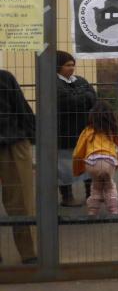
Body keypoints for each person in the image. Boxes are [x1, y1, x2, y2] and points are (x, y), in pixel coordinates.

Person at [0, 69, 37, 264]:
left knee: (22, 200)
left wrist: (33, 136)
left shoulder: (4, 77)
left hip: (12, 140)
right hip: (13, 138)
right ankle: (29, 253)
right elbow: (22, 108)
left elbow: (21, 108)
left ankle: (29, 252)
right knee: (22, 199)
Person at [72, 100, 118, 215]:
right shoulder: (112, 130)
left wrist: (79, 169)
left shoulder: (88, 131)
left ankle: (93, 210)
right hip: (108, 161)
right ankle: (113, 209)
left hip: (92, 163)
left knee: (96, 186)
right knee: (110, 186)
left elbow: (77, 153)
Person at [56, 50, 96, 207]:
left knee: (88, 164)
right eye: (67, 65)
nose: (71, 68)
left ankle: (91, 195)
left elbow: (93, 98)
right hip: (63, 131)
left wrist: (81, 98)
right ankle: (67, 197)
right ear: (58, 66)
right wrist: (84, 97)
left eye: (73, 65)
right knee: (64, 166)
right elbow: (66, 102)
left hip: (83, 130)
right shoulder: (54, 82)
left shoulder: (80, 80)